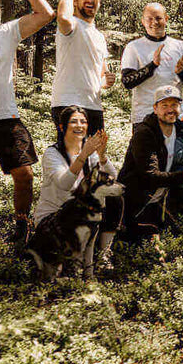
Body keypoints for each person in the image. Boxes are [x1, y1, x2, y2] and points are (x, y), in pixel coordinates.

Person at [0, 0, 54, 244]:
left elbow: (46, 14)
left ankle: (22, 225)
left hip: (6, 119)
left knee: (24, 174)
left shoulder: (5, 33)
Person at [118, 85, 183, 240]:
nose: (170, 110)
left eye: (174, 105)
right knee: (144, 246)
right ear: (155, 108)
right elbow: (150, 176)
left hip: (167, 195)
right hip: (140, 198)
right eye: (164, 105)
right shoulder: (145, 134)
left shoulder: (181, 129)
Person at [34, 106, 121, 275]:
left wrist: (101, 156)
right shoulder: (52, 154)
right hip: (54, 217)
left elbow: (112, 178)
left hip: (80, 215)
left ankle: (102, 255)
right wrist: (84, 155)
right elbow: (64, 183)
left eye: (83, 122)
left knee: (114, 196)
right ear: (62, 127)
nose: (79, 126)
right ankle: (74, 264)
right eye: (73, 121)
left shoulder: (90, 153)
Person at [51, 0, 115, 135]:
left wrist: (106, 81)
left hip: (93, 106)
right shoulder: (71, 24)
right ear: (75, 0)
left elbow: (101, 77)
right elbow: (62, 16)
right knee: (73, 157)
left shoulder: (99, 36)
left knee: (95, 156)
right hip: (68, 103)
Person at [121, 3, 183, 128]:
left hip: (174, 116)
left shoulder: (179, 46)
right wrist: (152, 66)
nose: (154, 22)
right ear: (143, 21)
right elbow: (127, 82)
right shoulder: (134, 47)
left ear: (166, 19)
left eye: (158, 18)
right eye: (149, 19)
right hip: (144, 117)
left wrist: (181, 72)